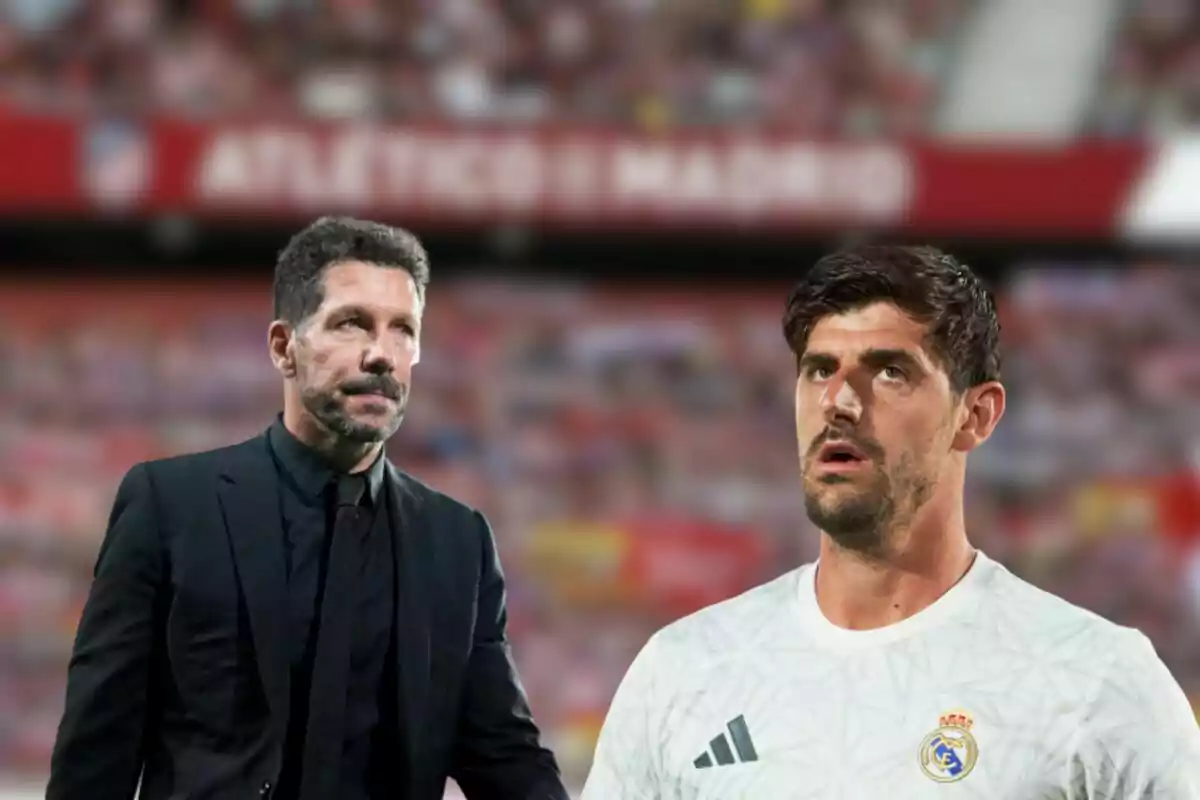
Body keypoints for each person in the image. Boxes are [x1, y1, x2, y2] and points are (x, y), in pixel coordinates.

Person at [581, 245, 1200, 798]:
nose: (839, 402)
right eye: (819, 369)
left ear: (976, 415)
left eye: (889, 370)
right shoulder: (684, 672)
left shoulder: (1095, 682)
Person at [48, 217, 569, 800]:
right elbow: (95, 756)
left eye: (403, 330)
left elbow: (504, 755)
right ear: (283, 347)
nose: (381, 354)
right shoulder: (170, 507)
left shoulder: (456, 541)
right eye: (352, 323)